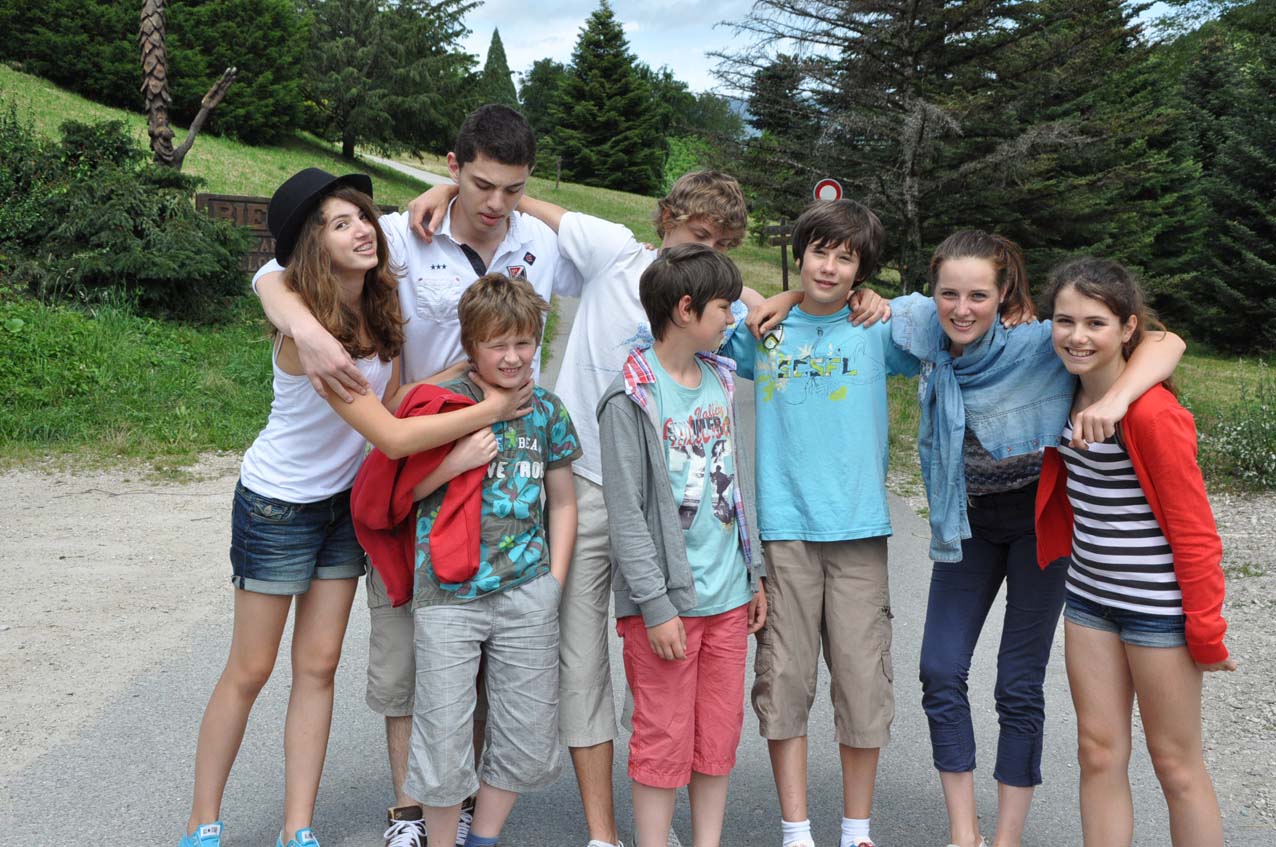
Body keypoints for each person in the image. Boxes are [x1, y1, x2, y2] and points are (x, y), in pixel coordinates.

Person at [409, 173, 889, 847]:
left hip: (679, 516)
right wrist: (446, 188)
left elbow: (778, 307)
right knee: (581, 664)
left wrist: (846, 292)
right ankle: (604, 833)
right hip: (584, 484)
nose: (707, 249)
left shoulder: (714, 332)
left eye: (723, 243)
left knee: (677, 683)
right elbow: (520, 200)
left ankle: (657, 822)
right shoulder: (614, 250)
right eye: (699, 235)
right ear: (667, 219)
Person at [252, 105, 583, 847]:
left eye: (513, 189)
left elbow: (644, 258)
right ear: (453, 166)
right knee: (407, 661)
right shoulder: (401, 234)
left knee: (488, 663)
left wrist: (768, 299)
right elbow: (279, 268)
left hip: (501, 477)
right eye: (482, 184)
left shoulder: (539, 241)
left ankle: (463, 810)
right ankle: (411, 813)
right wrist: (301, 326)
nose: (496, 204)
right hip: (410, 466)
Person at [178, 169, 532, 847]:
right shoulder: (308, 332)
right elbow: (392, 436)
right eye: (340, 225)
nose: (363, 229)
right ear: (315, 246)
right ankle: (202, 824)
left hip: (342, 507)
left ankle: (297, 828)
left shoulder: (378, 303)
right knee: (250, 669)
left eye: (362, 217)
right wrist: (492, 408)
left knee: (318, 668)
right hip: (277, 507)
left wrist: (460, 378)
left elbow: (391, 401)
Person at [883, 232, 1186, 847]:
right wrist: (784, 297)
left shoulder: (1039, 343)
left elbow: (1165, 340)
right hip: (967, 522)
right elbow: (840, 300)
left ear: (1004, 295)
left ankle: (1006, 838)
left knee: (1017, 683)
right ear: (931, 293)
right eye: (948, 294)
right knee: (939, 669)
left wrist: (1119, 398)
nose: (961, 308)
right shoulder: (919, 329)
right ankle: (963, 834)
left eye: (978, 295)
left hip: (1038, 526)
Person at [722, 199, 920, 847]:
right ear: (800, 254)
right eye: (819, 252)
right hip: (785, 530)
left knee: (863, 682)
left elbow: (942, 314)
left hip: (859, 530)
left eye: (846, 258)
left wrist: (881, 301)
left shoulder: (877, 327)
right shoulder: (763, 330)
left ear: (863, 269)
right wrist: (773, 298)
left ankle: (856, 830)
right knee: (784, 677)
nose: (829, 267)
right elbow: (696, 307)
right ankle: (796, 829)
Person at [1035, 257, 1234, 847]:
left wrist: (1206, 628)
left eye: (1095, 323)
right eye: (1065, 321)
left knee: (1175, 765)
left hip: (1157, 611)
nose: (1077, 336)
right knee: (1097, 752)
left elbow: (1195, 532)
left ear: (1127, 329)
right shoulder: (1060, 390)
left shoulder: (1151, 413)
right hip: (1088, 601)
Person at [392, 273, 582, 847]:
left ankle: (483, 837)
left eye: (523, 342)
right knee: (444, 734)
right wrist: (456, 461)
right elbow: (399, 494)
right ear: (470, 345)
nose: (512, 356)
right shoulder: (442, 406)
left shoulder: (547, 411)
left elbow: (563, 501)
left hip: (527, 590)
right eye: (497, 344)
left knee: (527, 733)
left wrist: (554, 582)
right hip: (448, 595)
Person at [597, 243, 767, 847]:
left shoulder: (721, 379)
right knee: (662, 738)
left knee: (717, 737)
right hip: (665, 608)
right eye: (725, 307)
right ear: (686, 309)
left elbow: (738, 485)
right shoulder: (630, 397)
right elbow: (626, 514)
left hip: (728, 599)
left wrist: (754, 574)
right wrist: (655, 604)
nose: (733, 317)